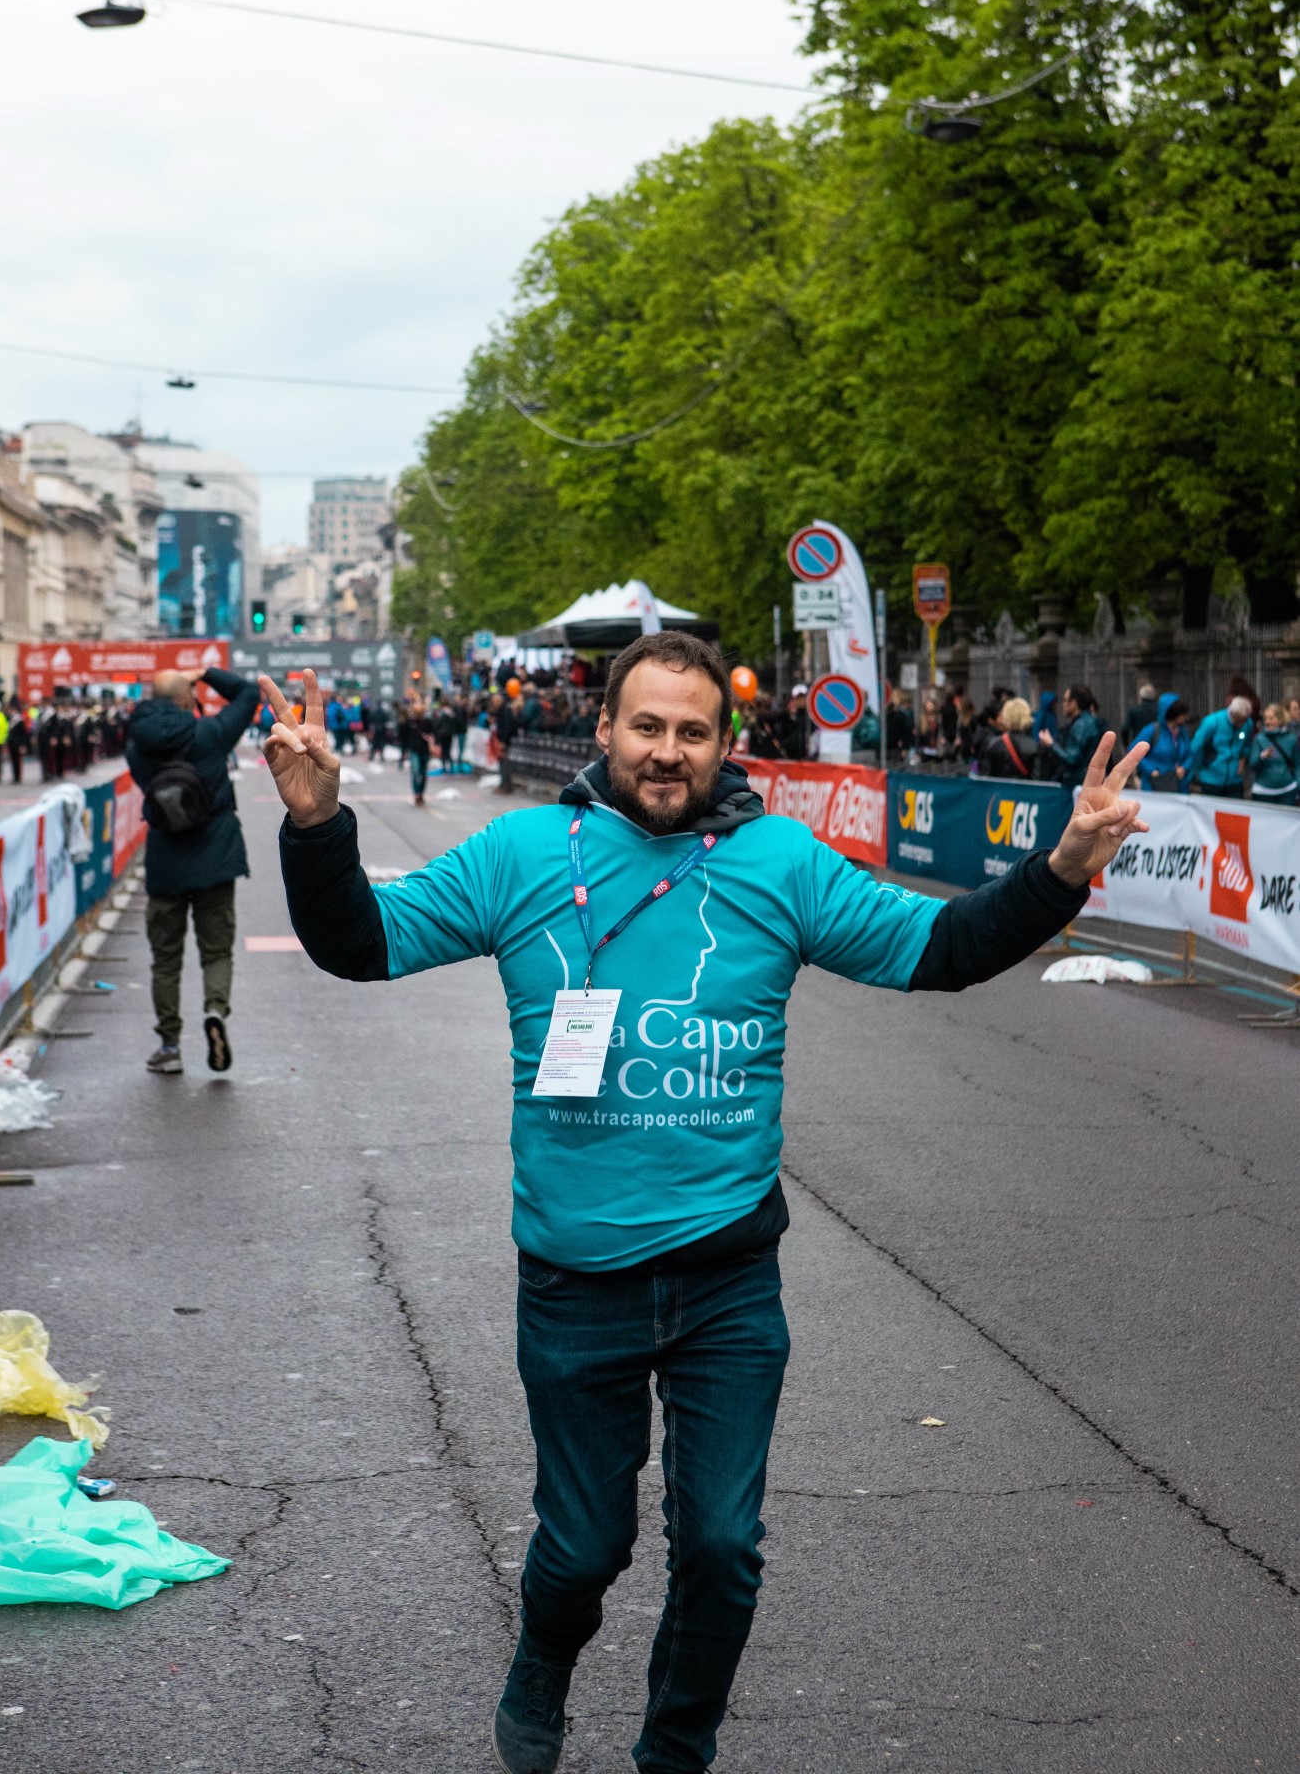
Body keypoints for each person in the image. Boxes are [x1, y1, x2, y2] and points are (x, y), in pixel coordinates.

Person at [262, 631, 1146, 1774]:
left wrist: (1065, 862)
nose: (666, 751)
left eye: (691, 730)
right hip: (576, 1277)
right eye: (646, 725)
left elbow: (943, 948)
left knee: (724, 1548)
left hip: (730, 1276)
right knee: (584, 1547)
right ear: (604, 727)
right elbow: (357, 943)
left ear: (725, 743)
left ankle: (676, 1750)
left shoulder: (781, 861)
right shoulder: (522, 851)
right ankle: (543, 1655)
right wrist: (317, 825)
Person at [125, 664, 260, 1076]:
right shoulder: (210, 734)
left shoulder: (138, 745)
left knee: (165, 960)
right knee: (216, 950)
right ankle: (215, 1009)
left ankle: (168, 1045)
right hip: (216, 857)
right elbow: (249, 694)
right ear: (187, 698)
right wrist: (207, 673)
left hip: (166, 860)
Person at [1186, 695, 1254, 799]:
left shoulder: (1248, 723)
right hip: (1211, 780)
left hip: (1235, 781)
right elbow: (1195, 748)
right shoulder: (1212, 722)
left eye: (1244, 720)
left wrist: (1243, 758)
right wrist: (1191, 777)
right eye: (1239, 720)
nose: (1241, 724)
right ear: (1232, 712)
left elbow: (1247, 744)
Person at [1039, 684, 1101, 788]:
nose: (1063, 704)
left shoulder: (1081, 725)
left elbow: (1071, 759)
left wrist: (1051, 744)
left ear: (1074, 703)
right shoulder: (1085, 721)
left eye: (1065, 700)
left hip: (1077, 784)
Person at [1130, 693, 1192, 793]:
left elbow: (1190, 755)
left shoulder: (1182, 732)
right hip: (1155, 785)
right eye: (1182, 714)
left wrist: (1184, 768)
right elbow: (1134, 751)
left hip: (1178, 786)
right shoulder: (1152, 730)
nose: (1185, 717)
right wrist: (1151, 771)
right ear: (1172, 713)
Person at [1250, 705, 1300, 805]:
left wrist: (1297, 784)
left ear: (1280, 719)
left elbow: (1297, 764)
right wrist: (1261, 757)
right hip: (1263, 791)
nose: (1267, 722)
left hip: (1287, 790)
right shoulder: (1259, 739)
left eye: (1271, 718)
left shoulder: (1291, 739)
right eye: (1265, 718)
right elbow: (1252, 765)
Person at [978, 696, 1038, 779]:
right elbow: (1038, 780)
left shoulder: (994, 744)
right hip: (1025, 791)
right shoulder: (1034, 746)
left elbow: (986, 778)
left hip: (1000, 790)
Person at [1121, 681, 1157, 748]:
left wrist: (1126, 745)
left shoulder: (1133, 710)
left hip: (1138, 743)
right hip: (1156, 744)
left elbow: (1125, 729)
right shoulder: (1159, 710)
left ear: (1141, 696)